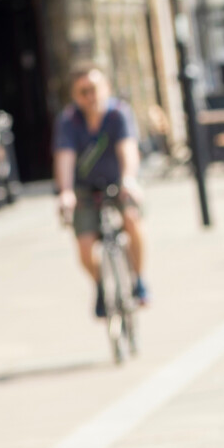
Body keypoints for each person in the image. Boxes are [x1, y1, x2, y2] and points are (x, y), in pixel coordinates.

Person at [52, 64, 146, 316]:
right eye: (83, 92)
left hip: (118, 183)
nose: (90, 97)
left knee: (131, 220)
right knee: (84, 247)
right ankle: (101, 286)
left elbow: (128, 149)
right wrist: (66, 191)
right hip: (84, 189)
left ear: (106, 89)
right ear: (75, 96)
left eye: (94, 89)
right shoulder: (69, 121)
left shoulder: (118, 114)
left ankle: (138, 280)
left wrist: (129, 179)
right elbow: (65, 157)